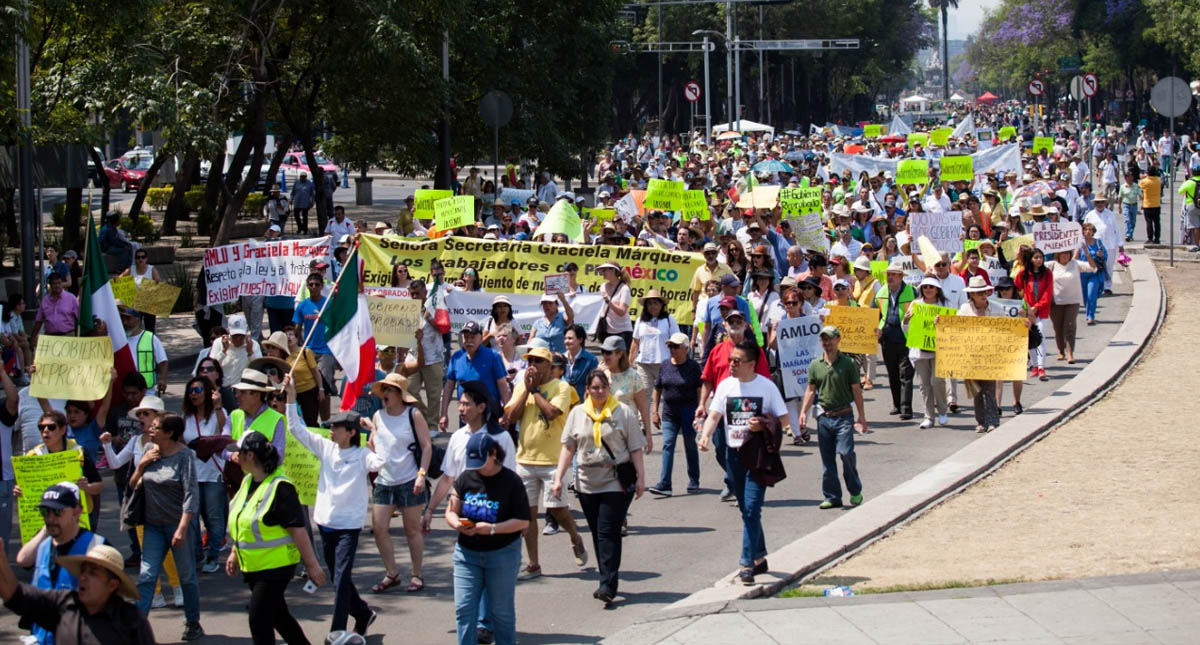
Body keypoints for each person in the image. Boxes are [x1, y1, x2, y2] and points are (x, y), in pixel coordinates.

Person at [282, 376, 382, 637]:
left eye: (336, 427)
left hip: (348, 528)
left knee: (339, 581)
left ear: (350, 432)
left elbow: (380, 462)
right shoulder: (326, 447)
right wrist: (291, 398)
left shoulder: (362, 455)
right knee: (340, 579)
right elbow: (296, 430)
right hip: (325, 524)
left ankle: (336, 633)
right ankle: (362, 613)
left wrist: (375, 431)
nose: (331, 430)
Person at [425, 381, 518, 645]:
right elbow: (447, 478)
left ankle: (486, 623)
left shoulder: (500, 438)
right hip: (466, 515)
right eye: (460, 403)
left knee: (493, 572)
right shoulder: (457, 437)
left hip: (495, 515)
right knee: (473, 570)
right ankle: (480, 623)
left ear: (482, 407)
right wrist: (431, 509)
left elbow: (510, 479)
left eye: (466, 404)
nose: (461, 408)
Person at [698, 338, 788, 584]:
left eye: (737, 361)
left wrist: (763, 425)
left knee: (751, 508)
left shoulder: (767, 387)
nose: (731, 364)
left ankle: (746, 563)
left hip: (757, 456)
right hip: (733, 455)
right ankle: (760, 555)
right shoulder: (726, 386)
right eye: (730, 360)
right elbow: (714, 415)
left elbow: (783, 419)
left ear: (751, 364)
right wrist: (705, 436)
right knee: (745, 508)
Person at [552, 370, 645, 606]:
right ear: (587, 390)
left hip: (615, 480)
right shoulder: (577, 414)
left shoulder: (622, 413)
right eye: (594, 388)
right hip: (586, 482)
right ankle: (606, 578)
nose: (599, 391)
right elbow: (568, 447)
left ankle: (607, 585)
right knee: (597, 531)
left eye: (603, 387)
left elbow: (635, 448)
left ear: (609, 388)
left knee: (607, 532)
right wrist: (558, 478)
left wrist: (641, 478)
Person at [226, 430, 326, 645]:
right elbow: (242, 521)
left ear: (250, 455)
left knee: (259, 619)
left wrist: (312, 565)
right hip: (253, 565)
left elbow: (298, 530)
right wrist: (235, 551)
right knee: (279, 616)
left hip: (276, 566)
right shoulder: (247, 482)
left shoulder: (281, 487)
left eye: (238, 453)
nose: (235, 457)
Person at [500, 346, 585, 581]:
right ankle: (534, 564)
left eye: (538, 361)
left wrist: (534, 391)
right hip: (525, 459)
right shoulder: (522, 386)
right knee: (527, 516)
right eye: (530, 361)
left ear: (550, 366)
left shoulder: (562, 387)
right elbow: (511, 418)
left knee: (557, 510)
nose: (533, 366)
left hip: (553, 461)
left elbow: (551, 412)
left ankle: (575, 537)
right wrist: (526, 390)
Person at [446, 431, 530, 645]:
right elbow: (451, 510)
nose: (478, 467)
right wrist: (456, 523)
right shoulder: (466, 477)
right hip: (467, 554)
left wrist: (492, 528)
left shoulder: (512, 481)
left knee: (501, 613)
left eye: (481, 461)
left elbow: (523, 522)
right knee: (464, 610)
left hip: (502, 554)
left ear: (493, 454)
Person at [129, 413, 204, 640]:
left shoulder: (185, 457)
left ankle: (193, 622)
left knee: (186, 576)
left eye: (155, 428)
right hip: (153, 525)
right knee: (147, 575)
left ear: (169, 433)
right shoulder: (149, 452)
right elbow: (133, 485)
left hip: (177, 525)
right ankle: (138, 627)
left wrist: (182, 528)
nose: (150, 431)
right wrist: (142, 465)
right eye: (150, 427)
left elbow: (191, 495)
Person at [0, 541, 154, 644]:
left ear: (112, 584)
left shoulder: (131, 620)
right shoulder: (63, 604)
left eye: (93, 573)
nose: (83, 577)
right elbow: (14, 596)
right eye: (83, 571)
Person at [14, 482, 106, 644]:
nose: (50, 518)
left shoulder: (97, 546)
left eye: (57, 512)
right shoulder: (43, 547)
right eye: (45, 512)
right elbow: (23, 560)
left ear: (77, 512)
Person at [368, 373, 432, 594]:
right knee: (379, 528)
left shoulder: (413, 415)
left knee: (412, 530)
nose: (384, 394)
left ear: (400, 394)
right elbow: (373, 447)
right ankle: (392, 572)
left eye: (389, 390)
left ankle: (416, 574)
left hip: (409, 479)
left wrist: (421, 474)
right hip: (384, 480)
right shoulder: (377, 415)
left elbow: (427, 446)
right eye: (383, 390)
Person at [799, 325, 868, 510]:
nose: (826, 343)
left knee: (845, 453)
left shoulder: (848, 364)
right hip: (824, 417)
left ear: (838, 339)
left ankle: (854, 490)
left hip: (844, 416)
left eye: (830, 338)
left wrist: (861, 416)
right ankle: (832, 496)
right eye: (823, 339)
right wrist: (803, 412)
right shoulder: (815, 365)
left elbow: (856, 390)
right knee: (827, 460)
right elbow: (811, 390)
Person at [181, 376, 229, 574]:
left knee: (214, 519)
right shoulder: (186, 418)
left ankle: (212, 557)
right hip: (192, 474)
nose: (194, 394)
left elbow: (225, 434)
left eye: (198, 390)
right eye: (191, 390)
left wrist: (218, 407)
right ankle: (197, 555)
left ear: (208, 393)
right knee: (192, 519)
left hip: (213, 474)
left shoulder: (218, 413)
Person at [649, 332, 702, 496]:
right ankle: (665, 483)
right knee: (668, 444)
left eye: (676, 346)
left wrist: (700, 411)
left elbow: (700, 389)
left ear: (685, 348)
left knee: (690, 444)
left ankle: (694, 479)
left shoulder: (693, 367)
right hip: (670, 412)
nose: (672, 349)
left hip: (688, 411)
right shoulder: (665, 365)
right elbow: (657, 388)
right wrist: (655, 411)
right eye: (670, 346)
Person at [440, 321, 511, 432]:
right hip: (465, 413)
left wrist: (507, 412)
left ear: (480, 337)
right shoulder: (456, 357)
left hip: (489, 413)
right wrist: (444, 413)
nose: (469, 341)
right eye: (466, 337)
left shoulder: (493, 356)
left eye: (472, 337)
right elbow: (449, 386)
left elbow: (502, 385)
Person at [904, 277, 949, 429]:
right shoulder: (916, 305)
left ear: (937, 289)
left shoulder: (944, 305)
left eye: (931, 286)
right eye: (925, 287)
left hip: (939, 350)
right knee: (924, 385)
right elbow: (908, 331)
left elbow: (952, 328)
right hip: (920, 351)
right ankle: (929, 416)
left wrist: (942, 322)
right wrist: (905, 321)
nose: (928, 289)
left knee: (937, 381)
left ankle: (942, 411)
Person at [874, 259, 916, 419]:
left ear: (900, 277)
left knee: (905, 374)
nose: (890, 277)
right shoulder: (881, 293)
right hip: (887, 337)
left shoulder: (912, 291)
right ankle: (897, 405)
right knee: (892, 373)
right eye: (888, 274)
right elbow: (873, 312)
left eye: (893, 275)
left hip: (906, 336)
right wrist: (876, 328)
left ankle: (906, 408)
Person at [598, 336, 654, 454]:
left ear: (619, 354)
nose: (604, 356)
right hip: (604, 431)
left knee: (629, 471)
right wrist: (599, 376)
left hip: (628, 430)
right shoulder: (599, 374)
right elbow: (588, 400)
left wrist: (648, 435)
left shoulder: (633, 376)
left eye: (608, 352)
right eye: (603, 352)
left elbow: (643, 408)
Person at [294, 273, 336, 421]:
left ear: (321, 286)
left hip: (326, 351)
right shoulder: (302, 306)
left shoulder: (328, 304)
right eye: (311, 284)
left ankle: (325, 422)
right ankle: (311, 420)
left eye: (317, 284)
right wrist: (298, 348)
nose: (313, 287)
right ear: (307, 286)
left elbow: (336, 327)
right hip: (308, 351)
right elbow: (297, 329)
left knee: (324, 388)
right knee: (310, 387)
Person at [1047, 248, 1097, 364]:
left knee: (1069, 326)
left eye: (1067, 253)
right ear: (1057, 255)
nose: (1065, 256)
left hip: (1073, 301)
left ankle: (1070, 352)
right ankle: (1061, 350)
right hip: (1056, 302)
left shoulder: (1075, 264)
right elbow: (1035, 266)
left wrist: (1086, 252)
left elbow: (1093, 268)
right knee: (1058, 327)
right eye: (1062, 253)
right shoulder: (1052, 265)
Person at [629, 289, 679, 394]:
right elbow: (635, 341)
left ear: (661, 305)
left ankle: (658, 411)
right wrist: (630, 361)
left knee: (668, 394)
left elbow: (676, 340)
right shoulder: (640, 320)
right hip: (644, 364)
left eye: (656, 303)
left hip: (665, 364)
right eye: (650, 304)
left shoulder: (669, 319)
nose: (653, 306)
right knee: (643, 394)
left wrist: (677, 360)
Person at [1014, 247, 1052, 382]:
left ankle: (1041, 367)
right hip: (1027, 311)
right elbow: (1016, 288)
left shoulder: (1047, 273)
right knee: (1029, 337)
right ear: (1030, 259)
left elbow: (1048, 293)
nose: (1039, 260)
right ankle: (1035, 365)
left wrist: (1037, 306)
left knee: (1040, 335)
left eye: (1040, 257)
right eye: (1036, 257)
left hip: (1041, 311)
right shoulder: (1023, 273)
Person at [121, 305, 168, 397]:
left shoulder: (151, 338)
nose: (125, 322)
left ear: (138, 319)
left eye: (128, 318)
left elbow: (163, 361)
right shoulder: (121, 339)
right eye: (123, 319)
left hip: (147, 392)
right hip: (127, 391)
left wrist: (162, 379)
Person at [117, 248, 164, 332]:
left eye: (143, 257)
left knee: (150, 328)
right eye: (138, 257)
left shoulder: (151, 269)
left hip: (148, 303)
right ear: (135, 259)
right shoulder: (131, 269)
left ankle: (150, 343)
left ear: (146, 259)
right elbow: (119, 279)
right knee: (133, 328)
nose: (140, 259)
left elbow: (158, 280)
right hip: (134, 304)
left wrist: (157, 281)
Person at [208, 313, 262, 385]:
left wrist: (250, 353)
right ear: (228, 332)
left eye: (241, 336)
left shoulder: (253, 345)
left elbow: (259, 368)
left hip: (244, 388)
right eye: (235, 336)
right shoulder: (218, 343)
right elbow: (211, 366)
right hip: (224, 387)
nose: (238, 339)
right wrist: (223, 351)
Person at [30, 273, 79, 343]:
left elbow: (80, 318)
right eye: (54, 283)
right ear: (50, 285)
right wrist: (32, 337)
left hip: (68, 337)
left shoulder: (71, 298)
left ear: (62, 283)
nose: (57, 286)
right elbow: (39, 321)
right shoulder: (45, 300)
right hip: (50, 338)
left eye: (59, 283)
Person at [596, 262, 633, 349]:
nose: (602, 273)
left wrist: (609, 302)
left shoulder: (624, 289)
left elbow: (622, 312)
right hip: (606, 330)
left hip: (623, 331)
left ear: (613, 270)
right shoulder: (603, 286)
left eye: (604, 270)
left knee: (621, 360)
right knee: (608, 358)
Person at [1079, 222, 1108, 325]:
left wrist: (1101, 255)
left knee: (1092, 294)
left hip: (1095, 273)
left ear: (1093, 232)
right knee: (1085, 296)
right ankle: (1088, 314)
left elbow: (1105, 256)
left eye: (1090, 230)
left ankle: (1091, 316)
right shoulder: (1080, 244)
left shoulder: (1098, 243)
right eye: (1086, 229)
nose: (1088, 232)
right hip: (1082, 274)